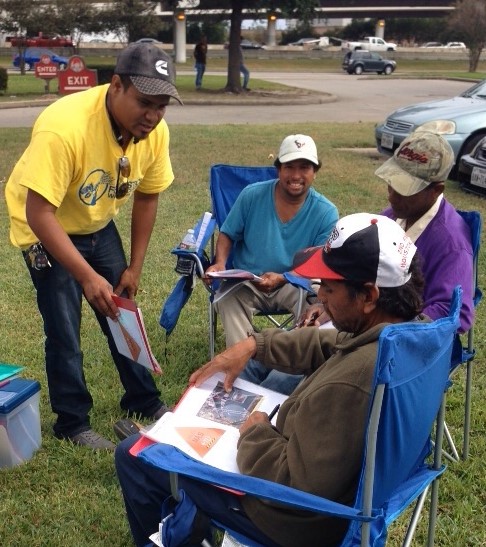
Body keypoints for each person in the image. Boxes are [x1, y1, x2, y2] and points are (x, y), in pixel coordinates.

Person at [115, 212, 425, 547]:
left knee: (134, 456)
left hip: (288, 519)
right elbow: (330, 343)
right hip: (341, 490)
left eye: (330, 289)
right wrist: (254, 344)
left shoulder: (352, 383)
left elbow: (292, 487)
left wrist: (254, 431)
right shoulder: (406, 336)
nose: (320, 298)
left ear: (368, 296)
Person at [5, 42, 183, 450]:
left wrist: (134, 266)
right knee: (65, 327)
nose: (153, 116)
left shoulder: (153, 132)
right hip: (45, 230)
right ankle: (72, 422)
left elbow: (149, 196)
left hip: (96, 222)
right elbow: (39, 213)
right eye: (144, 103)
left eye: (162, 106)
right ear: (116, 85)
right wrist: (85, 276)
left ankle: (143, 399)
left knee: (122, 312)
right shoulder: (64, 127)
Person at [300, 130, 474, 334]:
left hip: (398, 342)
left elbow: (454, 313)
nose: (391, 194)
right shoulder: (393, 216)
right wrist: (332, 307)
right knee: (297, 342)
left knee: (303, 352)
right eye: (392, 182)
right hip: (362, 320)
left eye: (404, 188)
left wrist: (388, 328)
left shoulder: (452, 243)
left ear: (436, 190)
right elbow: (358, 271)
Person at [205, 134, 338, 392]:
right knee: (227, 298)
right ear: (278, 168)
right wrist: (220, 263)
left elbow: (317, 263)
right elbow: (228, 233)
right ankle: (244, 367)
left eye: (305, 167)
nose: (296, 175)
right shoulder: (252, 195)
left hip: (296, 284)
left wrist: (284, 277)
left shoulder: (326, 212)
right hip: (248, 282)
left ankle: (287, 366)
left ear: (315, 172)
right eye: (289, 167)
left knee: (321, 308)